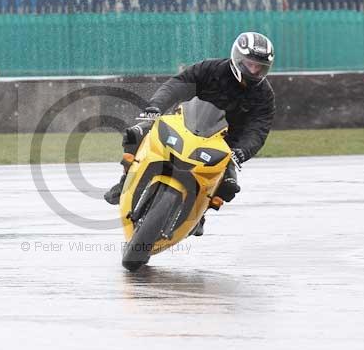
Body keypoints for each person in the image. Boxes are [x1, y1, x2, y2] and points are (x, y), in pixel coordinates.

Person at [104, 31, 276, 236]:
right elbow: (177, 84)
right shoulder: (210, 69)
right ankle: (124, 181)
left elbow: (259, 129)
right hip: (184, 123)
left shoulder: (264, 95)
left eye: (260, 67)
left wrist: (241, 152)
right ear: (237, 58)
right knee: (135, 134)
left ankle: (200, 213)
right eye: (250, 64)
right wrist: (156, 107)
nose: (254, 70)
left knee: (229, 186)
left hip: (224, 145)